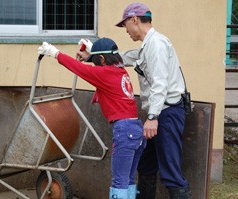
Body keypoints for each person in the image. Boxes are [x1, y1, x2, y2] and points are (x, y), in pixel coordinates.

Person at [38, 37, 146, 199]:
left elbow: (78, 68)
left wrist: (55, 53)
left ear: (102, 59)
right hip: (136, 130)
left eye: (96, 62)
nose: (95, 66)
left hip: (124, 131)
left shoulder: (104, 73)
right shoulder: (121, 70)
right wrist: (90, 54)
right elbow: (104, 68)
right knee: (128, 180)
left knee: (119, 182)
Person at [114, 2, 192, 199]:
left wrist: (152, 117)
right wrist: (93, 55)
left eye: (125, 25)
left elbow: (160, 83)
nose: (126, 31)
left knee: (170, 171)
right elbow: (125, 58)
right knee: (146, 164)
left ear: (134, 20)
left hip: (166, 113)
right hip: (161, 113)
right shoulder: (148, 45)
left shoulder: (156, 44)